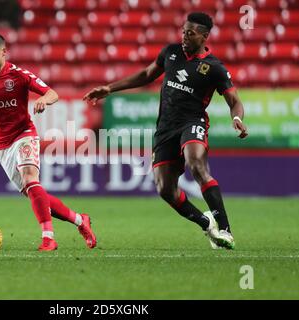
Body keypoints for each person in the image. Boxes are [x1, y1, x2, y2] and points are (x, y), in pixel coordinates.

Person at [84, 12, 248, 250]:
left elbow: (235, 100)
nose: (184, 36)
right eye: (183, 31)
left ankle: (225, 229)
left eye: (190, 33)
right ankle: (207, 224)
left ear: (204, 37)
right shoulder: (171, 52)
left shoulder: (214, 68)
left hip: (193, 122)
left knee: (197, 166)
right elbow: (145, 75)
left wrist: (237, 118)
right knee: (165, 189)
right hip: (165, 129)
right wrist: (109, 88)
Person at [0, 32, 97, 251]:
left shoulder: (19, 75)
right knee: (34, 192)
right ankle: (80, 220)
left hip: (24, 134)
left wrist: (43, 100)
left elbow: (52, 93)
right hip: (1, 145)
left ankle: (48, 238)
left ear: (3, 52)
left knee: (31, 180)